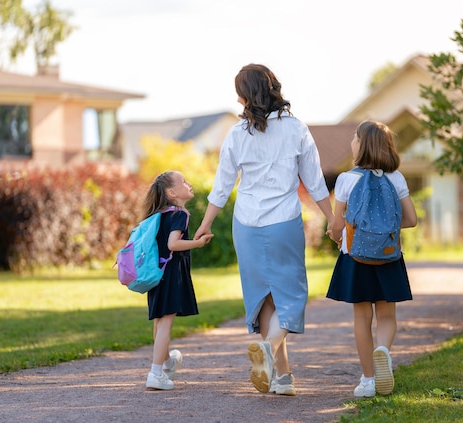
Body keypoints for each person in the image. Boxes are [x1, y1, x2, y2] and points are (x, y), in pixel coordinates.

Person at [194, 63, 334, 396]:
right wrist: (333, 219)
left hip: (246, 225)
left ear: (243, 97)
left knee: (266, 300)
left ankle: (282, 378)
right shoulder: (296, 129)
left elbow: (222, 186)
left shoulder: (235, 134)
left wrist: (204, 225)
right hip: (283, 222)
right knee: (294, 295)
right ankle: (270, 350)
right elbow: (314, 181)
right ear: (273, 87)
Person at [327, 120, 417, 398]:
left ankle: (367, 380)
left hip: (355, 258)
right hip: (389, 256)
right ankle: (383, 351)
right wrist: (384, 230)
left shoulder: (346, 180)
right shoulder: (396, 178)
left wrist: (336, 235)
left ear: (361, 145)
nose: (352, 141)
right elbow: (411, 220)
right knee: (387, 315)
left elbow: (336, 225)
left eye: (355, 138)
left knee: (362, 318)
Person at [143, 171, 214, 390]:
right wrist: (197, 243)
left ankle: (167, 363)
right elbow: (174, 244)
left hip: (158, 272)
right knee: (166, 323)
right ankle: (156, 373)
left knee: (159, 322)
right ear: (172, 192)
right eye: (183, 182)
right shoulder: (180, 214)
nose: (189, 183)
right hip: (171, 273)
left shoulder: (160, 214)